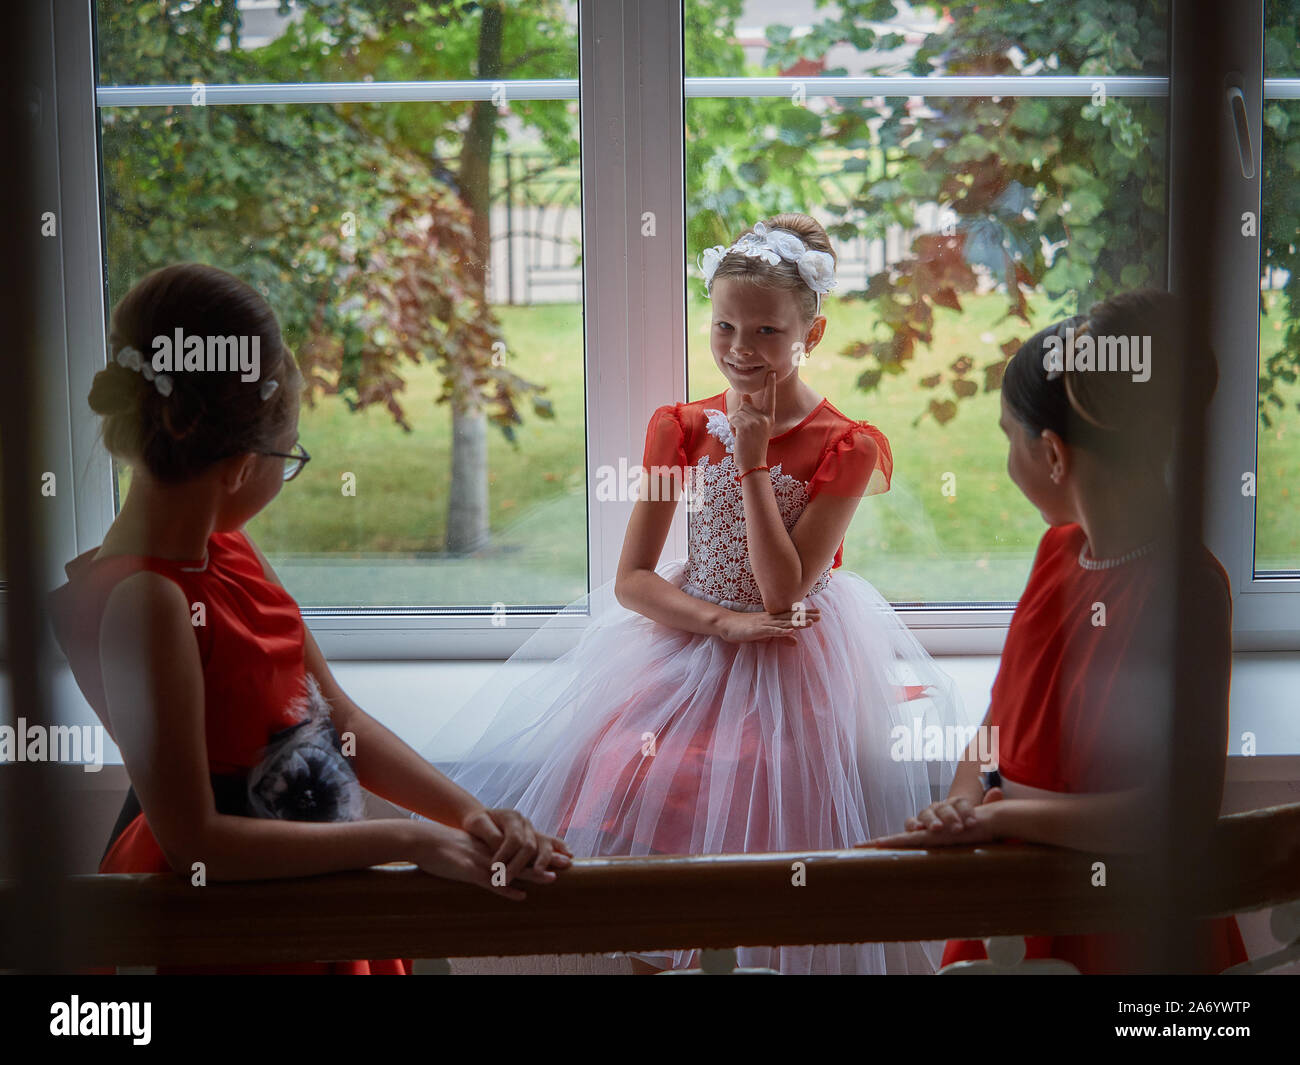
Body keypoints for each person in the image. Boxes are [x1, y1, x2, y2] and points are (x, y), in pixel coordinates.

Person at [418, 214, 965, 974]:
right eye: (724, 327)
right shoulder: (677, 427)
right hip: (688, 645)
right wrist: (719, 625)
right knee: (647, 793)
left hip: (794, 660)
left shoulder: (847, 445)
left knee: (769, 842)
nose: (742, 350)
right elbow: (633, 579)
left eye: (768, 331)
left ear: (814, 330)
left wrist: (748, 461)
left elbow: (781, 595)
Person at [48, 263, 570, 975]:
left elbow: (337, 722)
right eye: (286, 456)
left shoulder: (223, 549)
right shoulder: (147, 601)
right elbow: (197, 843)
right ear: (235, 464)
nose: (285, 475)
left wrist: (469, 814)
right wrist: (407, 842)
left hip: (307, 885)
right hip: (234, 929)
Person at [866, 290, 1249, 974]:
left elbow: (1176, 813)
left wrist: (1003, 815)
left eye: (1008, 435)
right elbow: (998, 724)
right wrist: (959, 803)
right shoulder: (1057, 556)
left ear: (1051, 454)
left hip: (1121, 929)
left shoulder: (1187, 587)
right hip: (1016, 911)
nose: (1007, 458)